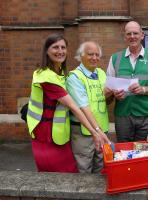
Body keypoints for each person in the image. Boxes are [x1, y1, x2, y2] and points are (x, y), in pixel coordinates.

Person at [26, 34, 109, 173]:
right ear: (46, 50)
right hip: (45, 135)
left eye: (63, 47)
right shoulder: (46, 76)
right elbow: (75, 107)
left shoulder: (60, 74)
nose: (60, 51)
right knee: (57, 175)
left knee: (68, 172)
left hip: (58, 134)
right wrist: (96, 132)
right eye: (55, 47)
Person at [106, 21, 148, 142]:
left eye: (135, 33)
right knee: (124, 151)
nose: (132, 36)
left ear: (142, 35)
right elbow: (108, 88)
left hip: (147, 116)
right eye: (129, 34)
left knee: (145, 152)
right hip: (123, 116)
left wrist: (143, 89)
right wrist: (114, 94)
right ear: (125, 36)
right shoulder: (115, 58)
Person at [66, 41, 111, 173]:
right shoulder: (75, 77)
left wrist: (112, 95)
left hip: (102, 130)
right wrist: (96, 130)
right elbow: (83, 107)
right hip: (84, 133)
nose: (94, 58)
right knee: (83, 168)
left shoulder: (102, 73)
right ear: (81, 56)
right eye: (90, 54)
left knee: (100, 166)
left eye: (97, 55)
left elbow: (103, 101)